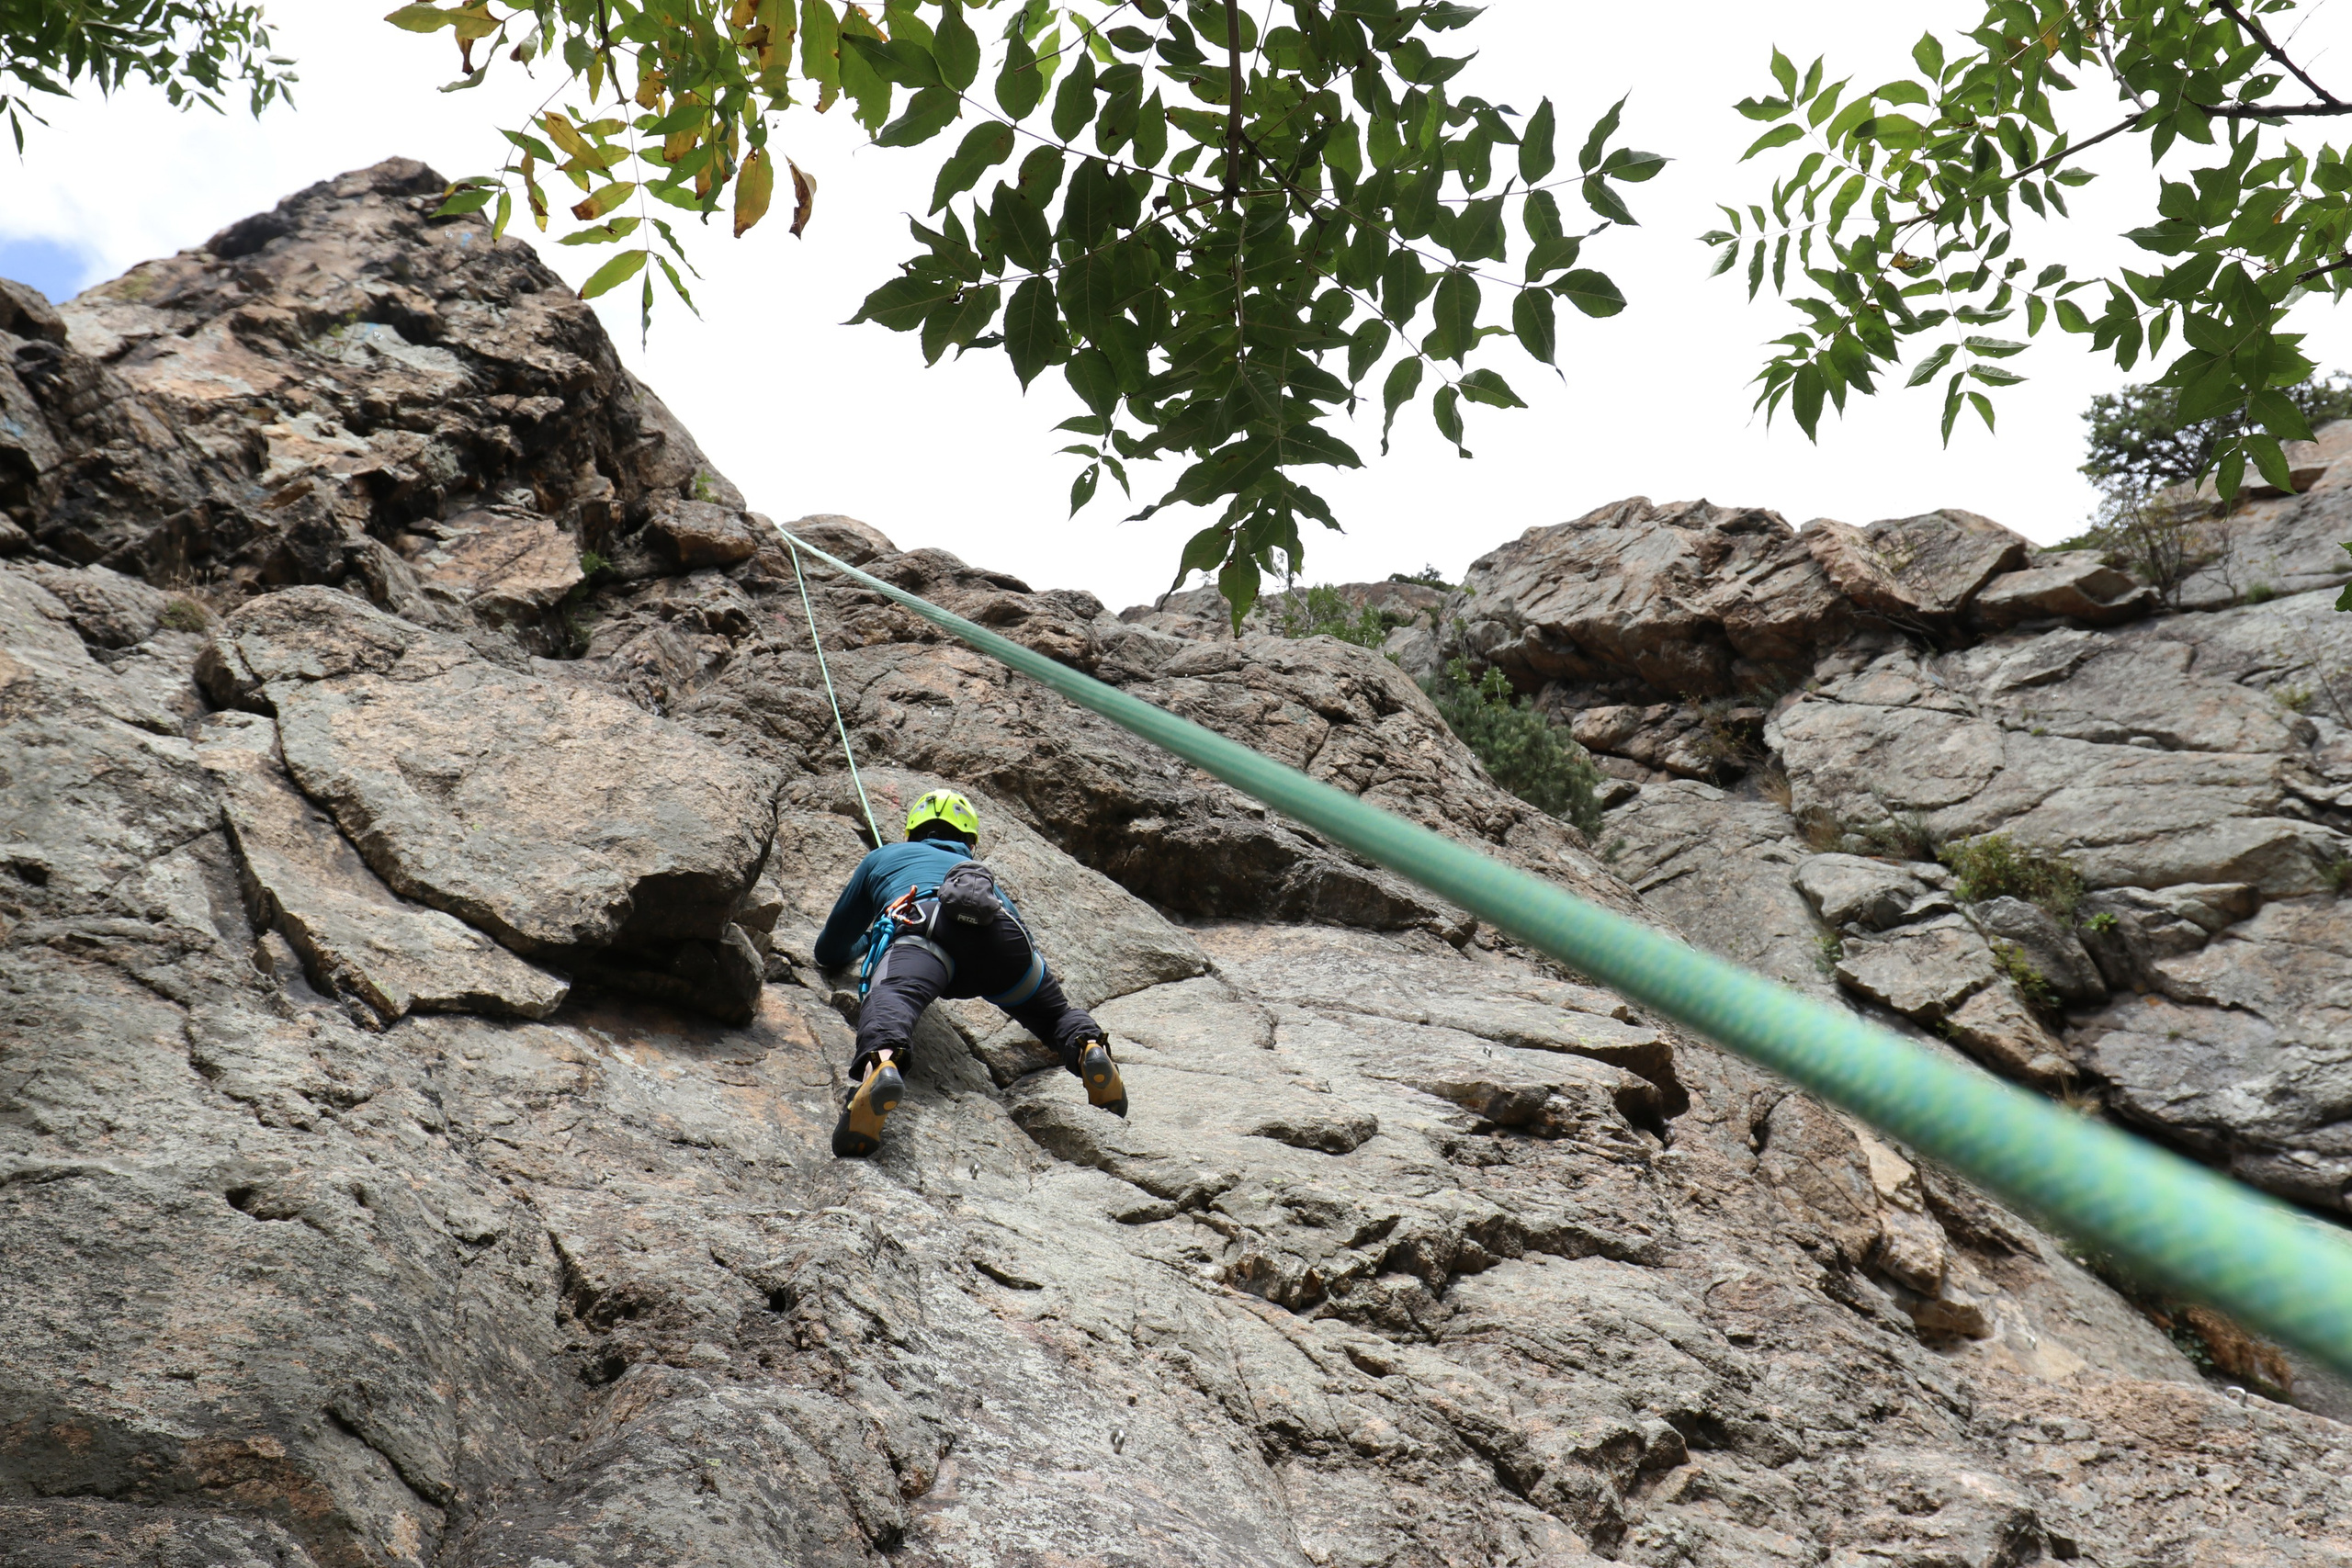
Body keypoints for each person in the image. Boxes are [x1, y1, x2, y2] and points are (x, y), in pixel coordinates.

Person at [813, 787, 1125, 1157]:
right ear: (970, 843)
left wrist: (869, 939)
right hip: (1003, 943)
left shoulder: (884, 856)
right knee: (1055, 1015)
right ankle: (1088, 1046)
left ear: (913, 830)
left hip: (926, 931)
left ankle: (881, 1067)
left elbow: (829, 951)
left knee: (894, 995)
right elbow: (1021, 934)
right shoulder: (985, 882)